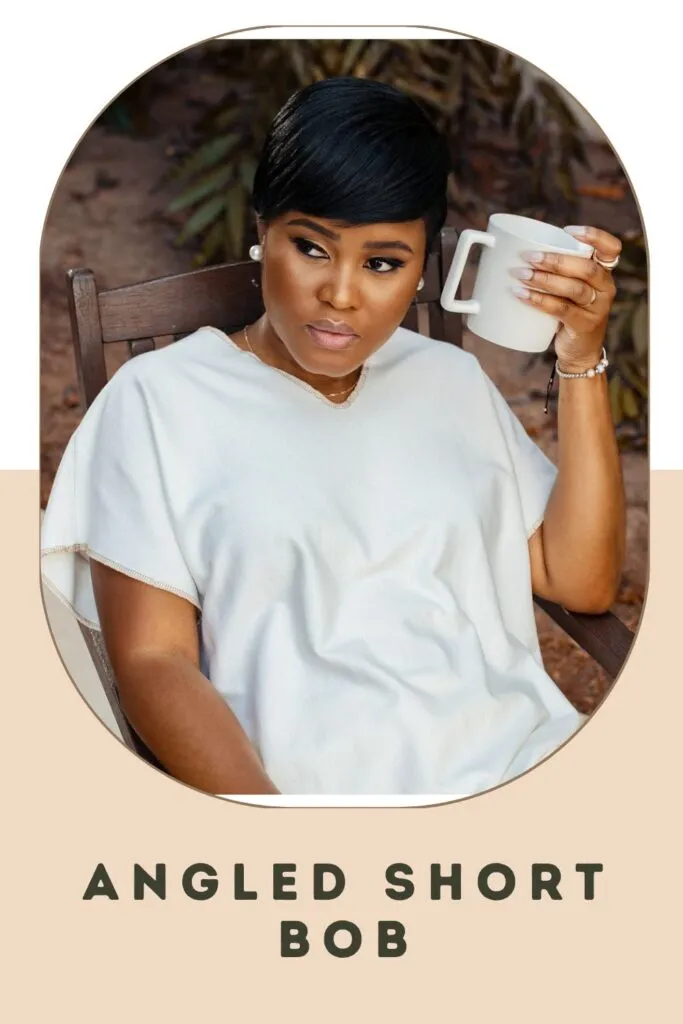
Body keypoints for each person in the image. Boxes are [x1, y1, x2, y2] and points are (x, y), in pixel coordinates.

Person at [41, 77, 625, 798]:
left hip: (520, 763)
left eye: (382, 263)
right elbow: (154, 661)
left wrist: (578, 361)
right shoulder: (159, 400)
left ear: (420, 268)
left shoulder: (447, 380)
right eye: (312, 248)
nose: (342, 294)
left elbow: (581, 581)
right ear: (262, 232)